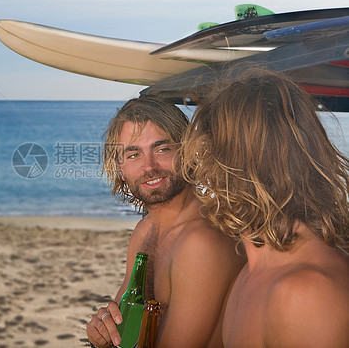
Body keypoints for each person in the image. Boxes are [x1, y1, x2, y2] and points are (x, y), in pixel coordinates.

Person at [180, 68, 349, 347]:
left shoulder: (307, 293)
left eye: (206, 152)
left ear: (226, 165)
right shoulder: (250, 273)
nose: (202, 172)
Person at [86, 97, 245, 347]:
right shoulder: (145, 230)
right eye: (134, 154)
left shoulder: (201, 241)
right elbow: (125, 326)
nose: (149, 166)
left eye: (162, 149)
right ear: (120, 168)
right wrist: (103, 331)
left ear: (187, 151)